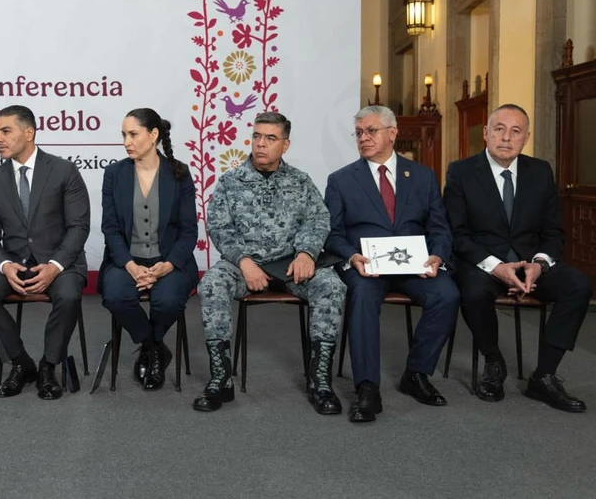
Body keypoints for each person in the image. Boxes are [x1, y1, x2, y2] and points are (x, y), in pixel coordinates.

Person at [194, 111, 347, 414]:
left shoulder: (300, 182)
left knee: (331, 285)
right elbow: (219, 227)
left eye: (270, 138)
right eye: (257, 137)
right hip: (243, 265)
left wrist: (306, 252)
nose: (261, 144)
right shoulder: (231, 181)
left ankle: (320, 381)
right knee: (211, 284)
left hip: (291, 266)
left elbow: (318, 220)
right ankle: (221, 378)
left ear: (285, 145)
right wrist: (244, 262)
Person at [443, 103, 591, 412]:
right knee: (471, 290)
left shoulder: (540, 171)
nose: (506, 138)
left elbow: (553, 231)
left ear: (526, 137)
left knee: (578, 285)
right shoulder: (461, 172)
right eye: (499, 129)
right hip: (483, 263)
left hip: (530, 263)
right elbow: (457, 234)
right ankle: (494, 362)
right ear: (485, 134)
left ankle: (545, 375)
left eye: (516, 131)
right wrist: (496, 267)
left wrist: (538, 264)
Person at [324, 105, 459, 423]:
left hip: (415, 266)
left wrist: (437, 256)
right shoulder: (341, 180)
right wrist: (351, 256)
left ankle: (416, 373)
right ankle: (367, 387)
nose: (363, 138)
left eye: (371, 131)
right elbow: (331, 233)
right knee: (362, 297)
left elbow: (440, 227)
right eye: (359, 133)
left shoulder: (423, 176)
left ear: (393, 133)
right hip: (366, 266)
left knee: (448, 294)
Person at [0, 105, 91, 401]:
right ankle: (21, 363)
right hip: (14, 262)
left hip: (61, 261)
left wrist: (56, 265)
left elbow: (79, 226)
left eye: (5, 131)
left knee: (69, 295)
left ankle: (49, 365)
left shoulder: (64, 170)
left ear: (29, 132)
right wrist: (4, 265)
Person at [98, 108, 198, 390]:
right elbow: (111, 229)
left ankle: (150, 349)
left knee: (167, 301)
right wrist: (129, 265)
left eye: (133, 134)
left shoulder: (179, 173)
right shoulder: (114, 174)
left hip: (169, 261)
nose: (127, 141)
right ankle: (153, 347)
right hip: (126, 260)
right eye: (124, 135)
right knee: (116, 296)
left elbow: (189, 230)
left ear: (153, 135)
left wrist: (168, 265)